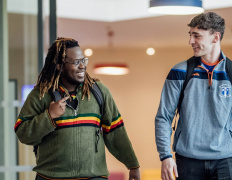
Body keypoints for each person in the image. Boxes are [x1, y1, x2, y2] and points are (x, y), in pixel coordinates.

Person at [155, 12, 232, 180]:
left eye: (196, 36)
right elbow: (164, 117)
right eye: (190, 35)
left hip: (225, 162)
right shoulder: (179, 72)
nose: (190, 41)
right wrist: (165, 156)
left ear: (216, 37)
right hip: (187, 162)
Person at [14, 37, 140, 180]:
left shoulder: (99, 92)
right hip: (50, 177)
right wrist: (49, 116)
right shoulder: (41, 94)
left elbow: (116, 132)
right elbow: (22, 132)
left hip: (94, 177)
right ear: (59, 65)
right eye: (76, 62)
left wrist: (132, 165)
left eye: (83, 61)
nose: (82, 66)